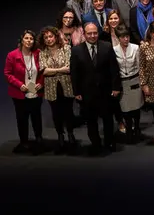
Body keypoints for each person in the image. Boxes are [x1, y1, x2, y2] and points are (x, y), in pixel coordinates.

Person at [70, 23, 121, 155]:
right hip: (87, 92)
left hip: (105, 91)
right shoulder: (76, 50)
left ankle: (109, 142)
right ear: (84, 34)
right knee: (91, 120)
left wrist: (116, 87)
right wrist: (76, 92)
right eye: (89, 33)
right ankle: (95, 144)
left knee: (108, 119)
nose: (93, 36)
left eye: (95, 33)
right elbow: (74, 73)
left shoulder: (107, 46)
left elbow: (114, 69)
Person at [5, 30, 45, 154]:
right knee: (22, 118)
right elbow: (8, 73)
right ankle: (24, 142)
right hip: (20, 93)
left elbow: (43, 70)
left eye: (31, 39)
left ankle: (39, 139)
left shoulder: (38, 53)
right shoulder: (12, 55)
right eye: (26, 38)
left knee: (36, 117)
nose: (29, 41)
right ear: (22, 40)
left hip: (36, 91)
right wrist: (19, 85)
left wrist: (41, 83)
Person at [38, 26, 76, 153]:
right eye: (46, 38)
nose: (49, 39)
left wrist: (53, 71)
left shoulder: (66, 48)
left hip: (67, 86)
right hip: (51, 88)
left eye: (51, 36)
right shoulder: (42, 52)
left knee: (68, 112)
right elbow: (44, 71)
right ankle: (60, 135)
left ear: (55, 37)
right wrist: (60, 70)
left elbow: (69, 68)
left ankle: (70, 134)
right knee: (56, 113)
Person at [114, 26, 143, 144]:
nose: (126, 39)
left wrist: (143, 82)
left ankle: (137, 128)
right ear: (118, 38)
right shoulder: (114, 50)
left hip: (134, 80)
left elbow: (140, 66)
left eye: (127, 36)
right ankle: (129, 130)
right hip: (123, 82)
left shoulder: (135, 48)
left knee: (136, 108)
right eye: (123, 37)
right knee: (125, 109)